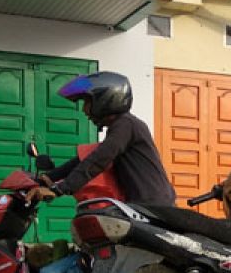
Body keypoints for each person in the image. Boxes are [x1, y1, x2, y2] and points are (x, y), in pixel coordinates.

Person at [30, 71, 177, 207]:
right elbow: (84, 159)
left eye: (87, 102)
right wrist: (48, 178)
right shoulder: (123, 127)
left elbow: (100, 159)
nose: (84, 110)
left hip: (153, 206)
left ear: (105, 100)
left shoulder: (126, 124)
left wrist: (60, 190)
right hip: (142, 204)